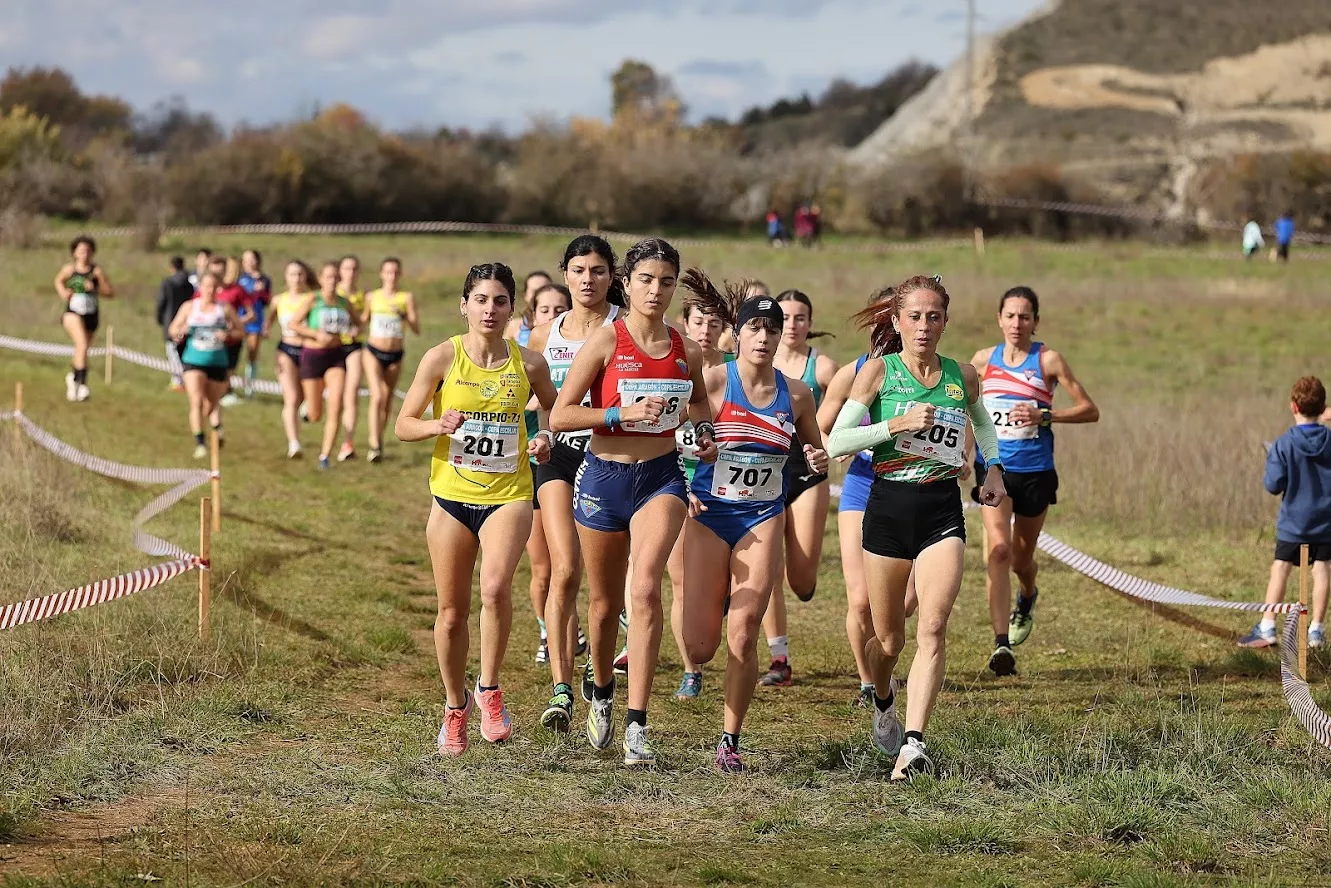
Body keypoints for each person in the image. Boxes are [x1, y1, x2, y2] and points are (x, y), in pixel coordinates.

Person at [827, 274, 1006, 780]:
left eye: (933, 317)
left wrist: (993, 468)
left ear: (945, 321)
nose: (924, 326)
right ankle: (882, 696)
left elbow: (982, 423)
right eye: (914, 317)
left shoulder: (962, 375)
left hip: (941, 509)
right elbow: (838, 441)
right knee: (889, 641)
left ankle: (913, 744)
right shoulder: (877, 373)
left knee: (933, 626)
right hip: (887, 507)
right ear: (897, 321)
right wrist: (896, 425)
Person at [550, 237, 717, 766]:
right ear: (627, 282)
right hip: (603, 478)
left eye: (666, 282)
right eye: (645, 279)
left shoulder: (684, 348)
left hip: (661, 479)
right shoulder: (605, 341)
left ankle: (638, 723)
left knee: (644, 590)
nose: (655, 290)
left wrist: (704, 434)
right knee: (604, 605)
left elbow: (699, 403)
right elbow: (560, 415)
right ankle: (601, 688)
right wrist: (620, 414)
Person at [394, 263, 557, 757]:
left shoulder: (530, 364)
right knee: (450, 614)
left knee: (494, 588)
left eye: (500, 301)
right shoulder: (442, 357)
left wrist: (546, 437)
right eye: (481, 300)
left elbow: (553, 410)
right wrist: (436, 425)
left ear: (512, 309)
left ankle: (489, 689)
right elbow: (403, 424)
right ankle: (454, 704)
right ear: (464, 305)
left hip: (508, 494)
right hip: (451, 498)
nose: (490, 309)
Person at [678, 274, 828, 772]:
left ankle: (729, 740)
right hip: (709, 513)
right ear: (737, 334)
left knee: (743, 634)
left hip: (762, 516)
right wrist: (689, 462)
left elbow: (814, 449)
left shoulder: (798, 394)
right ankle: (713, 602)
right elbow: (672, 436)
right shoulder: (714, 381)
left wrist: (816, 457)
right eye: (754, 328)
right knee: (700, 645)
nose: (763, 337)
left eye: (772, 329)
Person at [969, 286, 1099, 676]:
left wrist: (1045, 416)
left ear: (1035, 321)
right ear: (999, 319)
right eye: (1010, 316)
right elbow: (966, 409)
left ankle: (1027, 595)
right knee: (998, 551)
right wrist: (961, 453)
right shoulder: (982, 361)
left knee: (1021, 561)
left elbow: (1089, 410)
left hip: (1035, 472)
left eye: (1024, 317)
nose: (1017, 323)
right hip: (994, 469)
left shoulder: (1048, 360)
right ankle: (1001, 644)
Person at [527, 235, 623, 733]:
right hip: (558, 457)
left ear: (612, 276)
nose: (588, 279)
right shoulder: (544, 335)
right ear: (564, 274)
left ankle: (598, 664)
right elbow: (543, 403)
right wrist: (542, 435)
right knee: (564, 569)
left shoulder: (625, 327)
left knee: (606, 585)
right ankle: (561, 689)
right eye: (579, 270)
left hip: (610, 457)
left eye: (598, 270)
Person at [760, 289, 838, 687]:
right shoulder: (758, 358)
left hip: (807, 474)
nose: (792, 325)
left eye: (800, 317)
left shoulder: (821, 367)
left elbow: (851, 408)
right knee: (769, 567)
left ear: (810, 323)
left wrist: (835, 443)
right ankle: (780, 659)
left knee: (801, 581)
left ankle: (804, 579)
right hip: (766, 472)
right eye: (785, 317)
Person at [667, 296, 734, 700]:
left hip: (728, 486)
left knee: (719, 584)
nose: (706, 330)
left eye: (714, 323)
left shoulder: (736, 371)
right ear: (685, 324)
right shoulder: (672, 368)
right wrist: (682, 484)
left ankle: (716, 606)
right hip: (680, 481)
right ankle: (690, 670)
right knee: (680, 581)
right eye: (699, 322)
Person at [1239, 376, 1331, 650]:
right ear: (1323, 408)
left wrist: (1272, 460)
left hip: (1294, 523)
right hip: (1326, 523)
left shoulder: (1283, 444)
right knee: (1322, 569)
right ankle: (1316, 631)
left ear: (1293, 407)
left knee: (1280, 568)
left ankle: (1268, 626)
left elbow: (1273, 485)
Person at [522, 282, 573, 665]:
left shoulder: (585, 348)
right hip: (528, 465)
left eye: (560, 309)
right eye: (545, 310)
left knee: (568, 564)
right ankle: (546, 631)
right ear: (533, 317)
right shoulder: (520, 359)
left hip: (571, 456)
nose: (553, 316)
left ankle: (573, 629)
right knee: (543, 567)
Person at [166, 270, 242, 458]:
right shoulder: (190, 307)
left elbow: (241, 332)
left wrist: (228, 335)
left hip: (218, 361)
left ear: (219, 289)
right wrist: (180, 331)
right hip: (193, 360)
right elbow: (173, 329)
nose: (210, 290)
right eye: (207, 286)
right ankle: (200, 443)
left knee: (211, 404)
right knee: (196, 401)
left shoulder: (224, 309)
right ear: (200, 287)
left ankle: (214, 427)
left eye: (214, 287)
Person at [293, 262, 359, 470]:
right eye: (328, 277)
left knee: (336, 405)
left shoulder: (344, 302)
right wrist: (315, 334)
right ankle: (308, 408)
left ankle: (325, 455)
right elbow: (293, 324)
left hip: (335, 356)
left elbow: (359, 324)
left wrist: (354, 331)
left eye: (335, 277)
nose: (332, 281)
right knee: (315, 415)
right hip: (312, 356)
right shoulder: (313, 299)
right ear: (320, 279)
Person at [362, 258, 420, 464]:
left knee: (387, 400)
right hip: (373, 351)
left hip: (395, 355)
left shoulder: (406, 297)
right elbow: (363, 320)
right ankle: (374, 443)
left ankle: (378, 439)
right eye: (388, 272)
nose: (392, 276)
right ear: (381, 274)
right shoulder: (372, 297)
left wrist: (403, 315)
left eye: (395, 272)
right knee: (377, 395)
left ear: (400, 274)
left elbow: (416, 328)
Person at [54, 236, 114, 403]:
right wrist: (63, 292)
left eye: (87, 251)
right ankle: (82, 385)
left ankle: (73, 379)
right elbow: (58, 281)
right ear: (74, 253)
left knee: (83, 350)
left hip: (91, 314)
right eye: (81, 251)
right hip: (73, 313)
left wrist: (95, 288)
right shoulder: (69, 270)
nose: (84, 254)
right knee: (81, 344)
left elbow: (109, 292)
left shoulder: (96, 271)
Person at [265, 261, 312, 458]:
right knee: (291, 397)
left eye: (300, 274)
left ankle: (306, 407)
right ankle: (294, 443)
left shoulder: (312, 299)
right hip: (286, 350)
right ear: (286, 277)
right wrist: (265, 329)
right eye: (293, 274)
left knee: (305, 397)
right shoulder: (279, 300)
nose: (297, 278)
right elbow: (269, 320)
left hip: (309, 351)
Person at [336, 255, 367, 462]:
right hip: (331, 348)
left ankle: (348, 442)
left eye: (354, 269)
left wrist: (358, 328)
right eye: (347, 268)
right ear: (340, 271)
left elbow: (364, 321)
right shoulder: (332, 293)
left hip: (354, 346)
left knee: (351, 392)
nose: (351, 273)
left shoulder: (363, 296)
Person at [215, 257, 254, 411]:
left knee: (229, 368)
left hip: (232, 338)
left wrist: (237, 322)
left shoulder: (237, 290)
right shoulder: (208, 290)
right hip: (212, 338)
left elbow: (252, 315)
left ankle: (226, 393)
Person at [156, 256, 194, 391]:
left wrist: (160, 318)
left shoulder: (167, 283)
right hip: (187, 322)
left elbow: (161, 302)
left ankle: (178, 380)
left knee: (172, 352)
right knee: (184, 352)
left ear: (172, 267)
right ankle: (186, 378)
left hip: (170, 321)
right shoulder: (190, 284)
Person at [238, 249, 272, 396]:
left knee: (252, 354)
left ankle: (249, 389)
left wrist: (261, 292)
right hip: (238, 319)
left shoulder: (264, 280)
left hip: (255, 321)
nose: (248, 262)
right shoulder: (239, 278)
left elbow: (267, 301)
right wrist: (252, 290)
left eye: (251, 259)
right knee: (234, 353)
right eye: (245, 259)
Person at [505, 270, 554, 344]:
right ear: (525, 295)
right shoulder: (515, 326)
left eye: (544, 290)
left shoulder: (560, 323)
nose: (539, 295)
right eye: (534, 291)